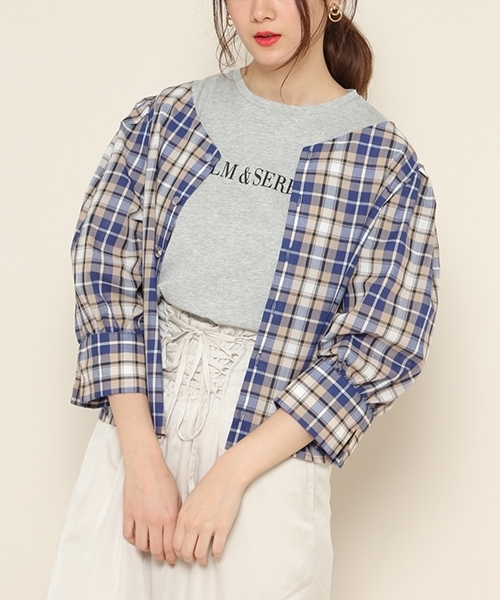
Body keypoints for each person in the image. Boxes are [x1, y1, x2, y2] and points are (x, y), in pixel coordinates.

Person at [46, 1, 439, 599]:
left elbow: (384, 342)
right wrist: (141, 459)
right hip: (138, 428)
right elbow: (104, 271)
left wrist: (231, 475)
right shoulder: (165, 120)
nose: (259, 10)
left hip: (270, 450)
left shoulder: (385, 165)